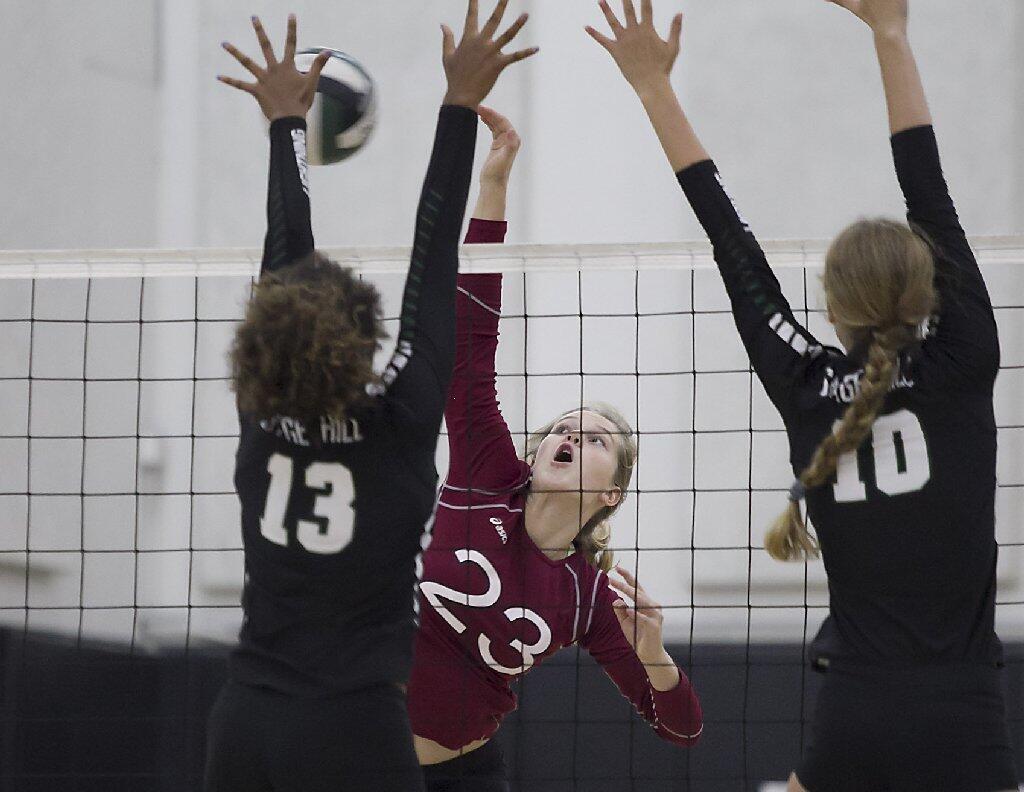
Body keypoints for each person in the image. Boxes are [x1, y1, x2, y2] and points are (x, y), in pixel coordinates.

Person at [587, 0, 1019, 789]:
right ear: (928, 291)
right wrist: (891, 32)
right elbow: (931, 192)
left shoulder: (808, 387)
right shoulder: (965, 359)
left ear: (832, 304)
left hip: (855, 710)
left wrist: (654, 90)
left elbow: (732, 245)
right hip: (968, 714)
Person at [204, 6, 537, 791]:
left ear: (264, 340)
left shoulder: (259, 412)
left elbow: (282, 251)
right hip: (352, 726)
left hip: (244, 721)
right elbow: (433, 256)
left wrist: (286, 127)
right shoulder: (401, 416)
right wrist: (458, 108)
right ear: (358, 334)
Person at [408, 106, 702, 791]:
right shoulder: (485, 474)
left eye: (593, 438)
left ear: (611, 493)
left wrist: (656, 656)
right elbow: (472, 339)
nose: (569, 436)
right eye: (564, 429)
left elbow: (680, 726)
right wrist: (493, 188)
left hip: (465, 778)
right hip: (364, 762)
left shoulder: (590, 599)